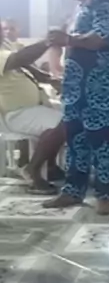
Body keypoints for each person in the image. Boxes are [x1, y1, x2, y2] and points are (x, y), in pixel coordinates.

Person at [44, 0, 109, 215]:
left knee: (102, 137)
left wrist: (67, 39)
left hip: (101, 84)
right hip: (77, 85)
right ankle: (73, 190)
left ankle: (104, 196)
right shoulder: (83, 4)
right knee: (75, 136)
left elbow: (100, 39)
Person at [0, 23, 64, 192]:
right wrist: (47, 41)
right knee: (63, 124)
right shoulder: (4, 55)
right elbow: (19, 59)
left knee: (72, 117)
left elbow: (27, 67)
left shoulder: (6, 49)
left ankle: (50, 166)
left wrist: (49, 79)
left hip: (33, 107)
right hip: (16, 114)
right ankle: (32, 170)